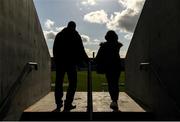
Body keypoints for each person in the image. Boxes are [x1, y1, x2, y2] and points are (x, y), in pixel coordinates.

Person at [53, 21, 89, 112]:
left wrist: (57, 61)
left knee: (59, 83)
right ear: (74, 27)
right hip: (71, 63)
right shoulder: (76, 35)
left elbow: (55, 49)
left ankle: (59, 103)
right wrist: (87, 60)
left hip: (60, 63)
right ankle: (68, 103)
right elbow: (81, 49)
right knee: (72, 83)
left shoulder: (59, 35)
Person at [95, 30, 123, 111]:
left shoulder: (104, 46)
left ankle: (113, 101)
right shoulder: (117, 45)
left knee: (111, 84)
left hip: (109, 67)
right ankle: (115, 100)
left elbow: (98, 58)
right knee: (115, 84)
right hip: (117, 67)